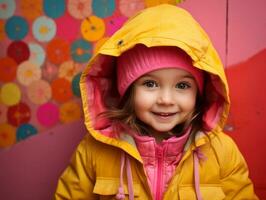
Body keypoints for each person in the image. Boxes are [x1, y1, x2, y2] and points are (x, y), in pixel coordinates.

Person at [54, 4, 258, 200]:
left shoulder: (221, 152)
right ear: (129, 90)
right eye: (150, 84)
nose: (166, 100)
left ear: (199, 93)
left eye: (182, 86)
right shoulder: (94, 150)